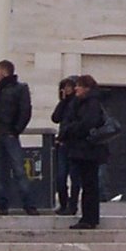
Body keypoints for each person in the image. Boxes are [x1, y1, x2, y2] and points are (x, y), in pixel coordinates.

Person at [60, 73, 111, 229]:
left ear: (87, 88)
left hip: (88, 150)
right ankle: (88, 217)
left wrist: (70, 129)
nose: (76, 88)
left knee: (89, 185)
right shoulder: (78, 102)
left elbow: (86, 124)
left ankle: (89, 218)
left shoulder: (92, 103)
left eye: (79, 86)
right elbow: (61, 118)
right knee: (86, 183)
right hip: (80, 149)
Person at [0, 59, 37, 215]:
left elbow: (25, 111)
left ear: (4, 71)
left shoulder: (19, 88)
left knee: (19, 170)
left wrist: (15, 130)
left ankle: (29, 204)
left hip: (9, 134)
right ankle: (2, 205)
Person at [49, 77, 77, 215]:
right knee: (60, 176)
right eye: (65, 87)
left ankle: (72, 205)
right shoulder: (65, 103)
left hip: (73, 144)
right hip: (62, 144)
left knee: (74, 176)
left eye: (69, 87)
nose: (67, 89)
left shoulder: (77, 104)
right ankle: (63, 202)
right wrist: (63, 101)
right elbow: (55, 118)